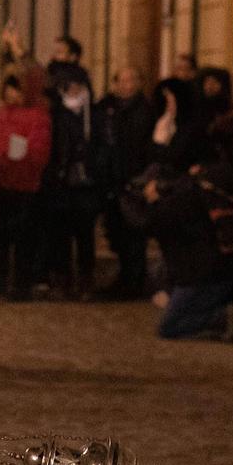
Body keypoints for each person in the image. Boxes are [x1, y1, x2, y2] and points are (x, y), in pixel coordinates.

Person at [126, 160, 233, 340]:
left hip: (204, 276)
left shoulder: (180, 203)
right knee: (158, 272)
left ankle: (224, 317)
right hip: (210, 271)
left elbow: (147, 224)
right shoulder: (191, 194)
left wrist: (148, 202)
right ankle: (213, 307)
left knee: (169, 328)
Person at [0, 67, 51, 299]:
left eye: (17, 90)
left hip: (25, 185)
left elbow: (39, 150)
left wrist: (21, 154)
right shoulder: (0, 115)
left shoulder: (38, 116)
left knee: (24, 238)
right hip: (0, 182)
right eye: (9, 89)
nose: (12, 94)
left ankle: (22, 285)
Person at [96, 65, 155, 297]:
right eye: (123, 80)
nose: (127, 85)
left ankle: (135, 279)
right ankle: (125, 275)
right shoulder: (107, 108)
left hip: (134, 177)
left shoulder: (145, 110)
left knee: (134, 231)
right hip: (112, 177)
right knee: (117, 230)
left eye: (132, 80)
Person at [43, 60, 98, 297]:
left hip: (87, 183)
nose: (74, 91)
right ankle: (62, 279)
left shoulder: (94, 115)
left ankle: (86, 279)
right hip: (62, 182)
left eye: (78, 86)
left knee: (85, 234)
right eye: (69, 87)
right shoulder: (56, 114)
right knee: (60, 234)